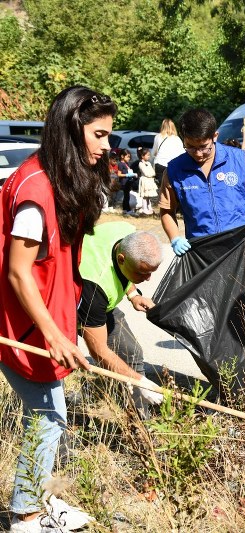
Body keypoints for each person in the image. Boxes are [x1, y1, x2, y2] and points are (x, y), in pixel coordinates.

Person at [0, 85, 118, 532]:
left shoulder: (55, 179)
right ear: (73, 130)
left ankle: (34, 501)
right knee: (49, 415)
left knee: (47, 414)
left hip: (42, 319)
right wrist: (52, 334)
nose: (107, 146)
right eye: (100, 135)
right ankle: (26, 516)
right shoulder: (36, 190)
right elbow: (17, 272)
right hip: (21, 325)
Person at [78, 223, 164, 417]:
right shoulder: (95, 286)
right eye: (142, 273)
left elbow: (122, 270)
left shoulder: (124, 232)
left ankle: (141, 424)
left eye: (151, 272)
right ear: (121, 259)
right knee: (60, 367)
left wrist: (133, 295)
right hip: (72, 306)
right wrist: (139, 381)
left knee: (131, 353)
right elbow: (98, 351)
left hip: (99, 302)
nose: (149, 279)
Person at [159, 108, 245, 254]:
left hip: (242, 246)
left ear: (215, 136)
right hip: (201, 252)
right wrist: (175, 238)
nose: (198, 154)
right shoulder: (174, 170)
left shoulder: (240, 160)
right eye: (191, 147)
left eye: (204, 147)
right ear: (183, 139)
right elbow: (166, 211)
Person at [152, 118, 183, 186]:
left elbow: (153, 152)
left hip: (159, 164)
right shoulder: (176, 139)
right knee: (171, 187)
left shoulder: (158, 137)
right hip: (172, 165)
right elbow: (182, 153)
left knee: (161, 187)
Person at [136, 147, 158, 215]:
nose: (149, 156)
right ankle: (144, 208)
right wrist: (151, 174)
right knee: (145, 196)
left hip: (149, 181)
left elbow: (153, 172)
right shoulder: (141, 164)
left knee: (148, 196)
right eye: (147, 155)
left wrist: (152, 174)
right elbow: (146, 173)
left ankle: (149, 207)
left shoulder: (148, 163)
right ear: (142, 156)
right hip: (145, 180)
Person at [118, 149, 139, 216]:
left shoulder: (126, 164)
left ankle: (126, 210)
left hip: (128, 182)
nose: (129, 158)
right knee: (126, 196)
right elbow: (119, 174)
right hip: (124, 182)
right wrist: (127, 175)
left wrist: (132, 174)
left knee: (127, 196)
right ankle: (127, 210)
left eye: (129, 157)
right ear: (122, 156)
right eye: (127, 157)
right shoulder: (121, 164)